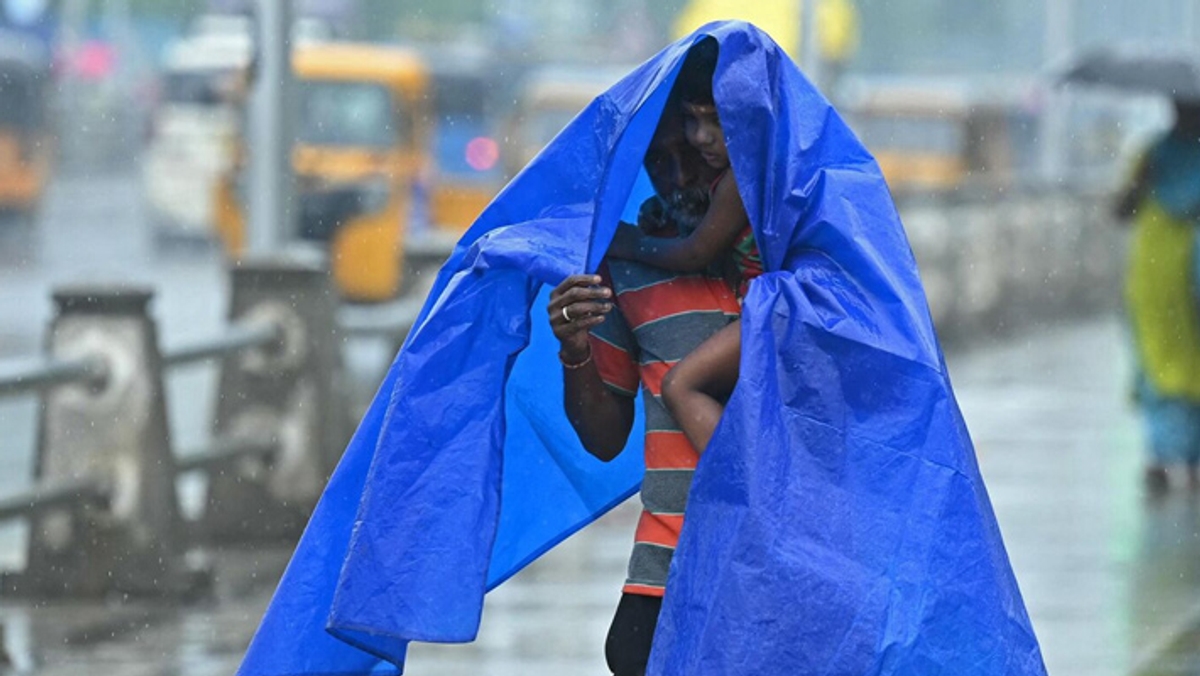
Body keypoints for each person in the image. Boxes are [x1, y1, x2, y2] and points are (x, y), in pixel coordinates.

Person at [546, 72, 736, 675]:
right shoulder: (619, 271)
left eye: (690, 154)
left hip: (778, 550)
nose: (680, 177)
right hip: (666, 566)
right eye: (659, 162)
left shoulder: (782, 247)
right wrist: (574, 348)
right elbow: (604, 439)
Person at [607, 37, 761, 456]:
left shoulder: (741, 185)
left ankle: (738, 487)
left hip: (770, 313)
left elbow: (696, 252)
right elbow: (602, 440)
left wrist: (631, 243)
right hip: (670, 520)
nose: (702, 139)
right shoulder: (735, 184)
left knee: (681, 385)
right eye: (693, 121)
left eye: (717, 122)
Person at [1115, 98, 1200, 495]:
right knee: (1172, 360)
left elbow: (1119, 210)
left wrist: (1143, 180)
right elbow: (1120, 208)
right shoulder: (1155, 153)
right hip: (1165, 273)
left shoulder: (1155, 152)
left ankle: (1167, 455)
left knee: (1160, 362)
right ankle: (1178, 455)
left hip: (1164, 269)